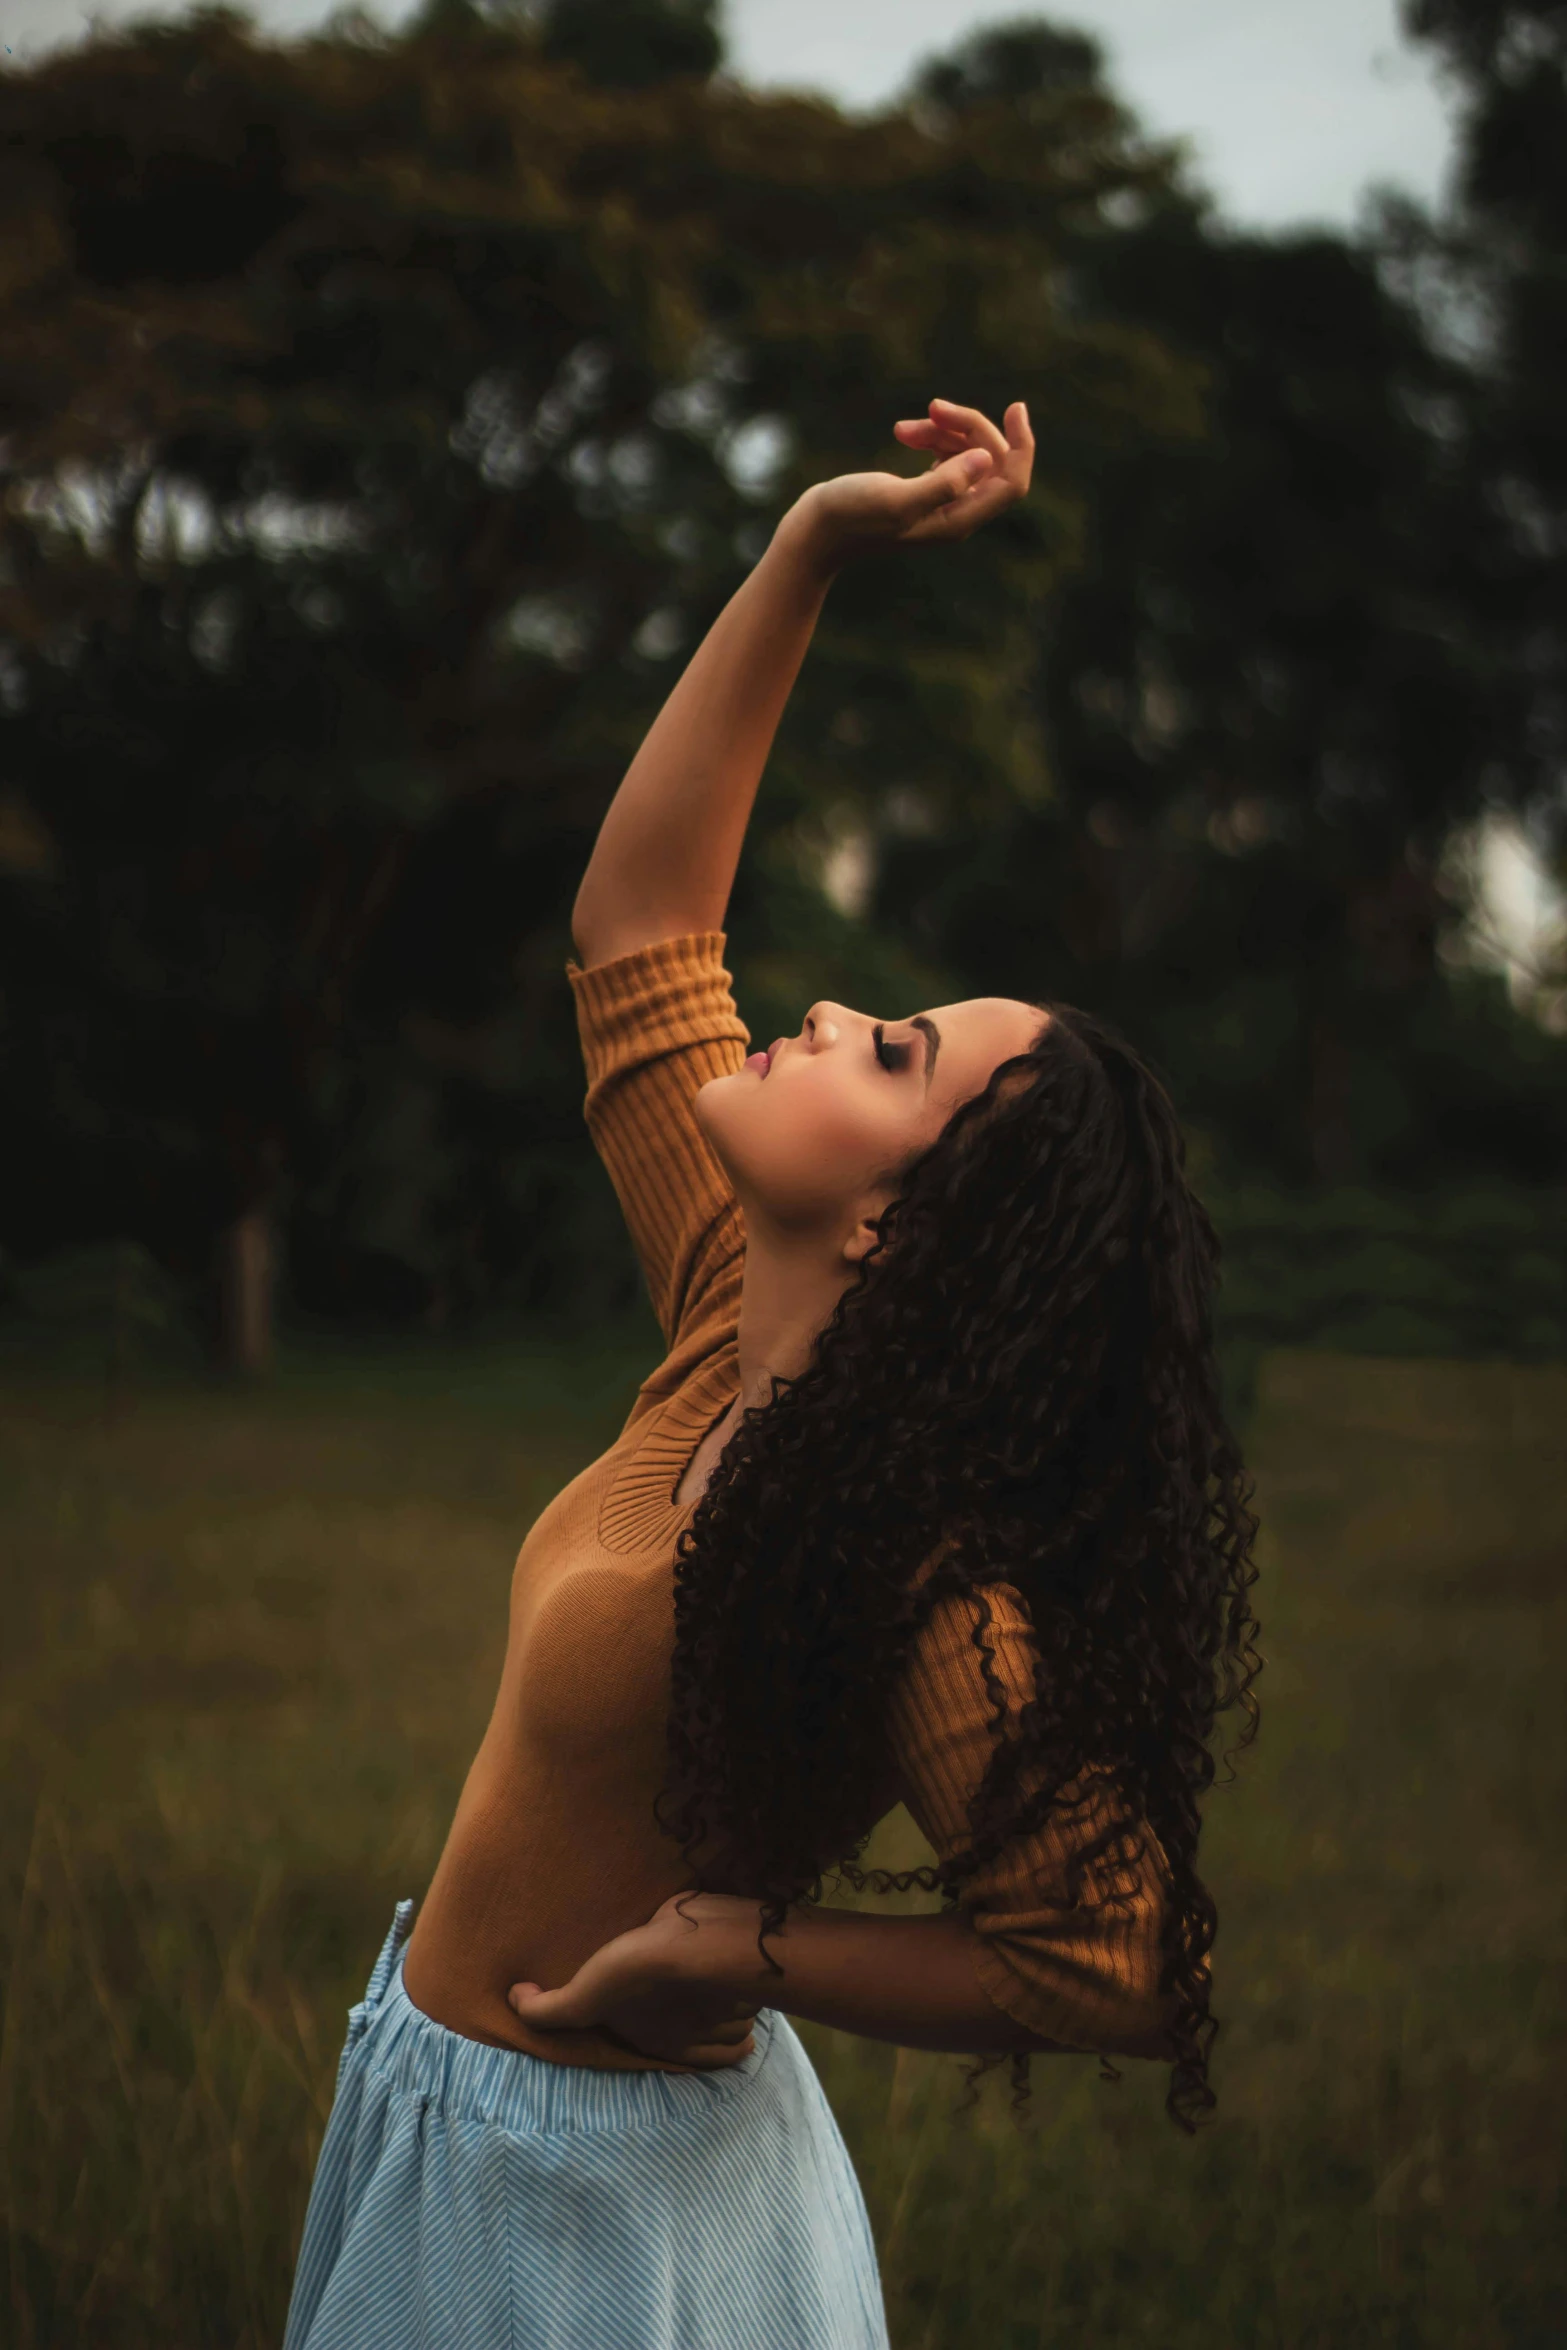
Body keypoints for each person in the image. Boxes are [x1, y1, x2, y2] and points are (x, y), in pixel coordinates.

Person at [282, 398, 1261, 2350]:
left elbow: (1124, 1948)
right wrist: (810, 546)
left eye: (891, 1050)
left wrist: (756, 1942)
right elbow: (643, 930)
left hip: (603, 2211)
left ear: (907, 1229)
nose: (821, 1011)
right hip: (447, 2117)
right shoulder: (737, 1305)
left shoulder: (909, 1551)